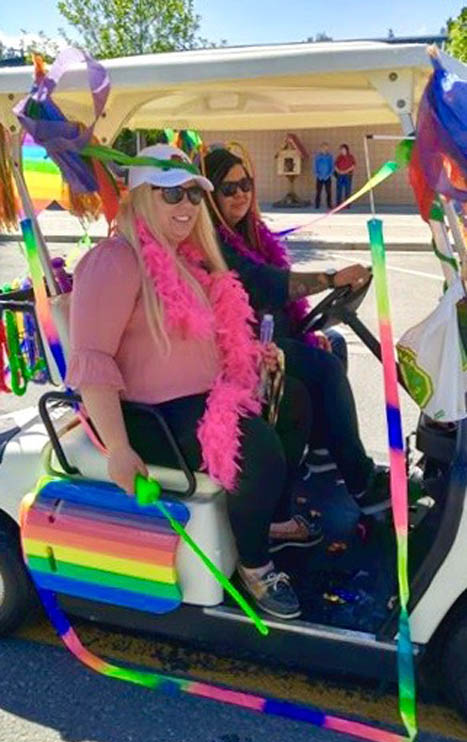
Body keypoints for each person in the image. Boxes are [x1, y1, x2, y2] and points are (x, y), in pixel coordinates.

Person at [66, 143, 323, 622]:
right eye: (171, 195)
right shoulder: (115, 261)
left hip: (201, 398)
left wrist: (247, 359)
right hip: (149, 416)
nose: (186, 206)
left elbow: (208, 339)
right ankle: (254, 565)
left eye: (192, 195)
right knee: (257, 450)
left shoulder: (186, 258)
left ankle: (267, 520)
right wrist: (119, 449)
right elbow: (92, 360)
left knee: (296, 401)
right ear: (142, 197)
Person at [202, 146, 392, 518]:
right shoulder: (214, 243)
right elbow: (265, 284)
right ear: (210, 197)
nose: (241, 193)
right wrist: (330, 279)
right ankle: (361, 481)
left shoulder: (249, 234)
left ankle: (322, 451)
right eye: (228, 188)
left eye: (246, 184)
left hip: (270, 337)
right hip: (240, 354)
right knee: (324, 367)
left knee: (333, 343)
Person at [314, 142, 334, 209]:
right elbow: (315, 166)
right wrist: (318, 174)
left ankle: (329, 204)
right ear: (320, 148)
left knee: (328, 192)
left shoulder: (330, 157)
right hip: (319, 177)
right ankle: (317, 205)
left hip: (327, 177)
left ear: (327, 148)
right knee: (318, 192)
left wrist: (329, 175)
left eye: (325, 147)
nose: (324, 149)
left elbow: (332, 166)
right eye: (323, 148)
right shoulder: (318, 157)